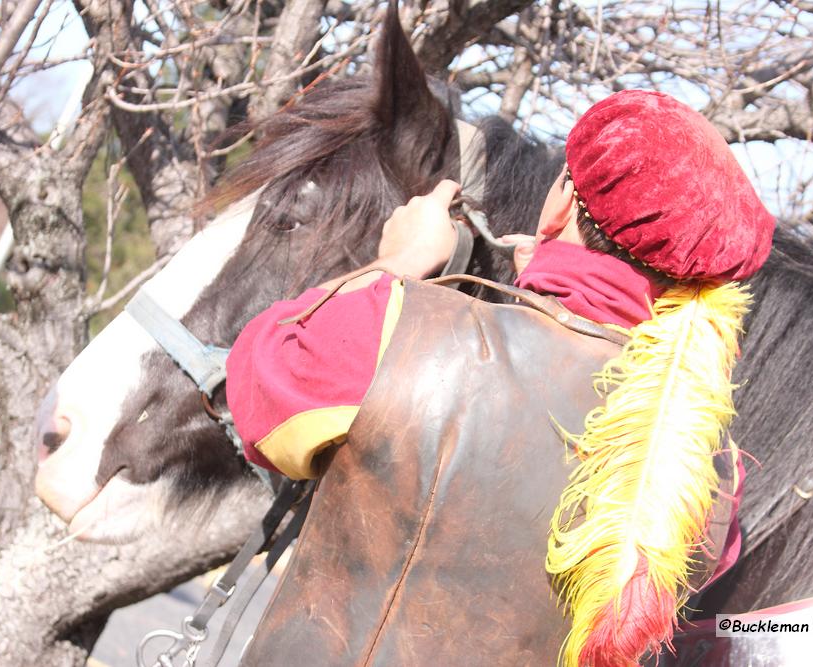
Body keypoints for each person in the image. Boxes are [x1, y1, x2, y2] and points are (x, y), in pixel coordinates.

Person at [225, 90, 774, 666]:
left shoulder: (397, 328)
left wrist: (401, 262)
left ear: (562, 201)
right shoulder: (707, 474)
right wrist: (545, 284)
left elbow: (259, 384)